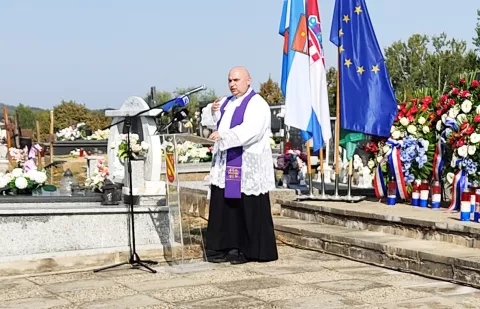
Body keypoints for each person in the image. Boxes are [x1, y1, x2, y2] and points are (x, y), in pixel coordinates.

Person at [201, 66, 278, 265]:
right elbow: (210, 121)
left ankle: (250, 249)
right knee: (226, 207)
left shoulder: (257, 103)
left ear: (248, 80)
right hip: (226, 164)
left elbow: (252, 129)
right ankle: (225, 247)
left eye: (236, 80)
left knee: (248, 208)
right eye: (230, 81)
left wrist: (224, 136)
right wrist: (211, 110)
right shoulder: (226, 102)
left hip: (247, 164)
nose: (232, 84)